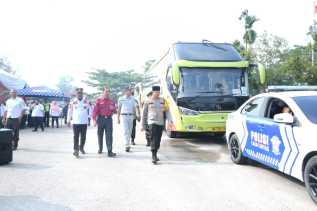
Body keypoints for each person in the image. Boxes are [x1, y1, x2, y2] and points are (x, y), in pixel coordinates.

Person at [141, 86, 173, 164]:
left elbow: (168, 111)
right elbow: (144, 114)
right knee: (153, 138)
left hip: (160, 122)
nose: (158, 94)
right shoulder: (148, 101)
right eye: (156, 92)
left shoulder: (163, 100)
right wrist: (143, 125)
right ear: (153, 92)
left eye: (159, 92)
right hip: (152, 122)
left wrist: (170, 121)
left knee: (158, 139)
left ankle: (155, 152)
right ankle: (153, 155)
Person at [92, 87, 117, 157]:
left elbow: (115, 111)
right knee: (100, 135)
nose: (107, 93)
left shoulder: (111, 101)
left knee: (109, 135)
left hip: (109, 119)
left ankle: (109, 151)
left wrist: (114, 109)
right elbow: (95, 111)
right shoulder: (99, 101)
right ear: (103, 92)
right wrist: (94, 120)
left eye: (108, 91)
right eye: (106, 91)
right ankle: (100, 148)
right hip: (100, 119)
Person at [67, 88, 90, 158]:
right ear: (76, 94)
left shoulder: (86, 101)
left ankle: (81, 147)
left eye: (81, 93)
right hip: (76, 122)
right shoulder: (72, 102)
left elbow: (90, 109)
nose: (79, 94)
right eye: (78, 93)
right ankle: (75, 150)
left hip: (84, 122)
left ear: (82, 94)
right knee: (76, 136)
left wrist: (89, 118)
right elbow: (70, 111)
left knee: (83, 137)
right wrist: (68, 120)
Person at [117, 87, 140, 152]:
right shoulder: (121, 99)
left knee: (130, 131)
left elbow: (135, 107)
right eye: (128, 91)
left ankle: (128, 142)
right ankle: (127, 145)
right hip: (124, 116)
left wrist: (137, 115)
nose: (129, 92)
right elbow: (119, 109)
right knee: (126, 130)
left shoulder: (133, 99)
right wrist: (118, 118)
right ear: (125, 92)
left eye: (130, 91)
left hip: (131, 116)